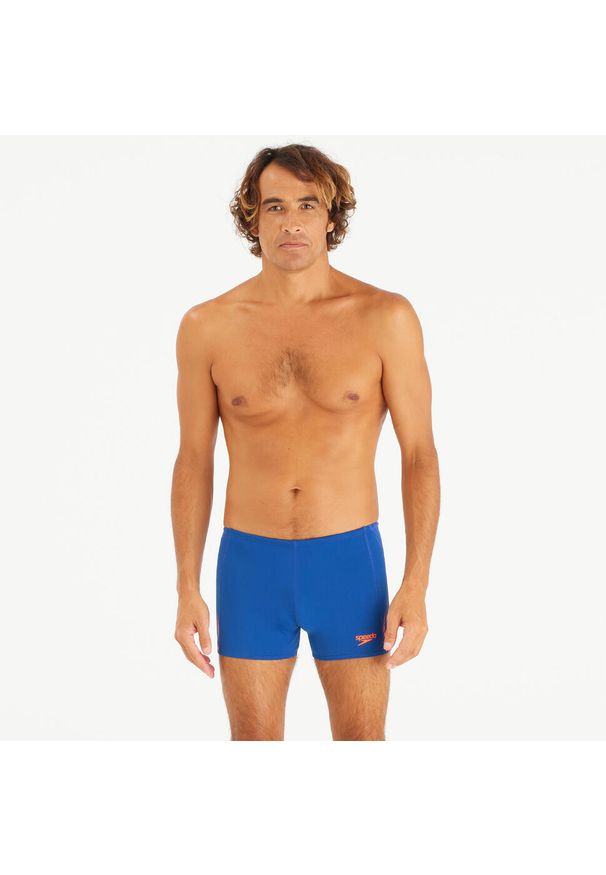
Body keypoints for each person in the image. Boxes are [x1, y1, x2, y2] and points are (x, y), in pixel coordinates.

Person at [171, 143, 440, 741]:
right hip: (249, 565)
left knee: (362, 744)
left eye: (307, 205)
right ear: (252, 218)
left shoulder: (384, 317)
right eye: (274, 206)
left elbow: (419, 453)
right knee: (253, 748)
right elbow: (193, 459)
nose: (291, 221)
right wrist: (187, 586)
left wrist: (416, 583)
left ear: (330, 217)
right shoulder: (207, 326)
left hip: (348, 562)